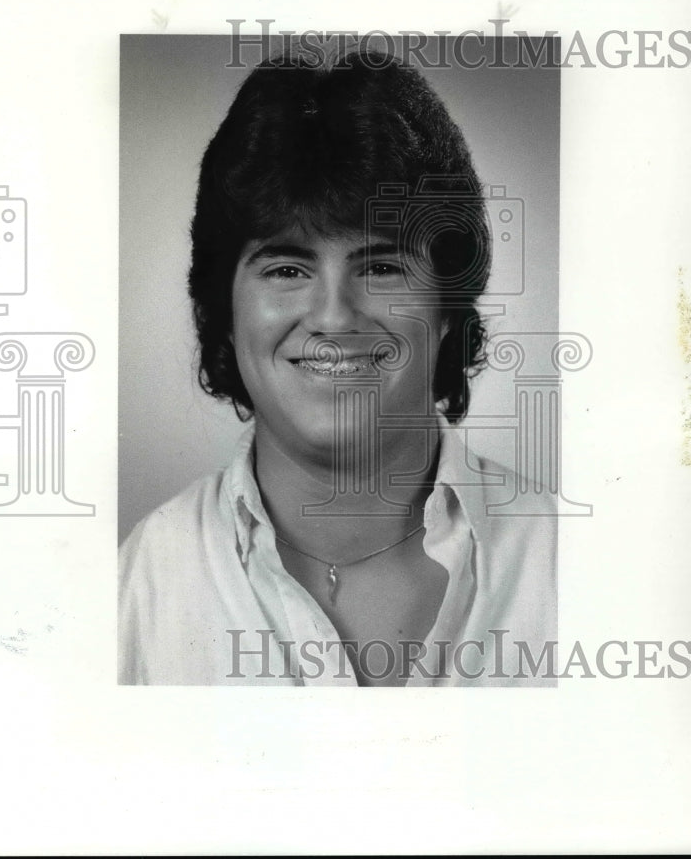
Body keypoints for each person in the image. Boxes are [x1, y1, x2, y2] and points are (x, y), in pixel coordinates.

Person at [118, 49, 556, 687]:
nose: (334, 316)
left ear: (446, 308)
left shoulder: (578, 567)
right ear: (225, 309)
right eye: (287, 268)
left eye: (380, 266)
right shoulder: (139, 586)